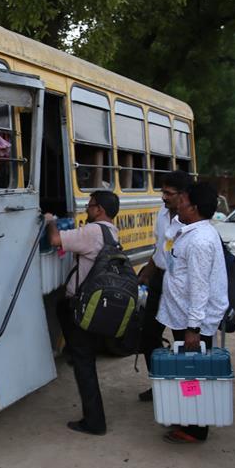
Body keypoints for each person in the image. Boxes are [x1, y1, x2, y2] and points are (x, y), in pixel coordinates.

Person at [156, 182, 228, 443]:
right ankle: (188, 417)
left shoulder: (199, 241)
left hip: (192, 322)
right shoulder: (190, 230)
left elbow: (200, 289)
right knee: (188, 371)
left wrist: (193, 330)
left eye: (183, 201)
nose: (178, 204)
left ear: (195, 208)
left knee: (193, 373)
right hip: (182, 316)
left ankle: (195, 428)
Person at [45, 190, 121, 436]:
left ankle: (94, 422)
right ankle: (72, 350)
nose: (87, 209)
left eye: (90, 205)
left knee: (84, 365)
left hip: (84, 305)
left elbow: (56, 240)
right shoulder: (111, 231)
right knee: (60, 308)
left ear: (99, 209)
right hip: (97, 305)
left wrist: (50, 221)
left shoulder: (92, 231)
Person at [136, 170, 191, 402]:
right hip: (160, 279)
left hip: (180, 285)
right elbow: (160, 247)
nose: (163, 197)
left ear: (184, 195)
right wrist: (148, 271)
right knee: (148, 335)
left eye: (168, 193)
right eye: (163, 192)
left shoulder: (192, 221)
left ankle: (182, 393)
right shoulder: (162, 212)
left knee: (183, 339)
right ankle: (160, 383)